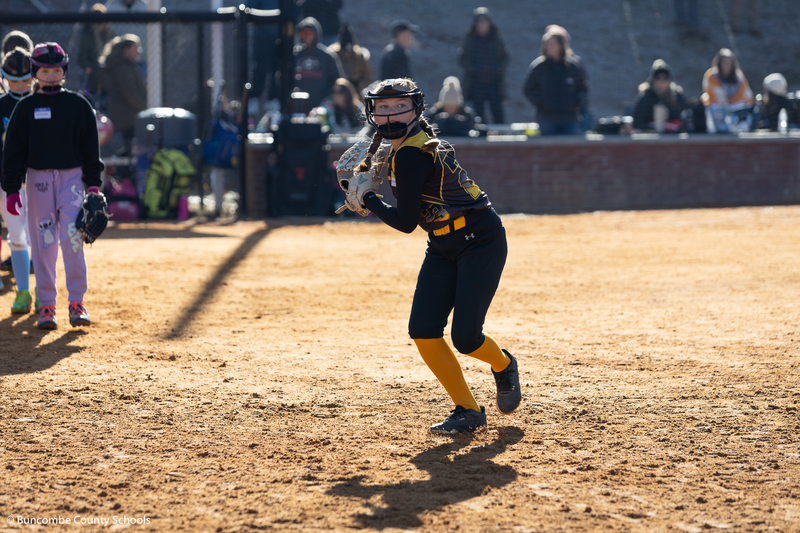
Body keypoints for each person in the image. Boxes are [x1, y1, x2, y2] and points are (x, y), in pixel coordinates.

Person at [352, 78, 522, 434]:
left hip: (480, 240)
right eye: (381, 108)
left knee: (466, 338)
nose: (389, 114)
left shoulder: (413, 153)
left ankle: (504, 364)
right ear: (371, 112)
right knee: (424, 331)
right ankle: (468, 409)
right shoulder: (404, 149)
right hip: (443, 244)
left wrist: (368, 199)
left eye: (398, 105)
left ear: (416, 109)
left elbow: (405, 223)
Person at [1, 42, 104, 329]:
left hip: (71, 178)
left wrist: (93, 186)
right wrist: (11, 188)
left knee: (72, 239)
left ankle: (76, 301)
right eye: (45, 70)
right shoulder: (26, 108)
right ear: (35, 72)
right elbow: (14, 152)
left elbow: (90, 149)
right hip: (38, 179)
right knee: (44, 243)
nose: (51, 74)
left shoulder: (78, 105)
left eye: (56, 69)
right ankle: (46, 305)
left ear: (64, 71)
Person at [0, 48, 38, 312]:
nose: (22, 85)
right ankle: (23, 292)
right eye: (15, 80)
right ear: (4, 78)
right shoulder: (2, 104)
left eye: (26, 79)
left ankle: (43, 291)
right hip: (9, 182)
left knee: (42, 237)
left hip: (39, 179)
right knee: (17, 237)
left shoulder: (42, 102)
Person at [523, 27, 588, 135]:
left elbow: (583, 88)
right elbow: (527, 89)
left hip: (569, 118)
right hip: (546, 118)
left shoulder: (572, 67)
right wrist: (541, 102)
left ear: (561, 46)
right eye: (547, 44)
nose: (549, 47)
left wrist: (574, 102)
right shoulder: (539, 67)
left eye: (553, 44)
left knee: (571, 148)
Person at [458, 7, 509, 124]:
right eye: (479, 21)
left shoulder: (495, 37)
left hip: (494, 82)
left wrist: (498, 70)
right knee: (478, 114)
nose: (482, 24)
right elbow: (463, 58)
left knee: (497, 111)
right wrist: (473, 70)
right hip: (477, 83)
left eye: (484, 21)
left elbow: (505, 57)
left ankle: (501, 136)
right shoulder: (470, 38)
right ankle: (481, 137)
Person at [98, 34, 147, 152]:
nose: (139, 51)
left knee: (129, 148)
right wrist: (145, 108)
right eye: (136, 48)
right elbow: (130, 94)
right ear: (126, 50)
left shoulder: (126, 66)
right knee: (130, 149)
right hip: (128, 117)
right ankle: (121, 169)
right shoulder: (122, 68)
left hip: (128, 115)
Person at [292, 17, 343, 109]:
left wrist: (324, 96)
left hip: (321, 106)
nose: (305, 36)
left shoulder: (327, 56)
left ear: (316, 33)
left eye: (309, 33)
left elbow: (337, 80)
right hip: (296, 104)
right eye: (302, 33)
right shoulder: (294, 55)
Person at [702, 48, 754, 132]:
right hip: (718, 107)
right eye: (724, 63)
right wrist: (726, 105)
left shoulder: (738, 77)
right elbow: (712, 94)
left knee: (742, 110)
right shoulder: (711, 76)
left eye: (729, 63)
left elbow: (746, 95)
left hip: (736, 108)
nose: (727, 66)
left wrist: (733, 104)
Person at [631, 59, 687, 132]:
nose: (662, 81)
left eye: (665, 77)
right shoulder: (646, 97)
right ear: (653, 80)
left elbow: (684, 117)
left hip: (674, 138)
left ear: (669, 79)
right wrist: (654, 128)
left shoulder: (677, 96)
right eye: (658, 78)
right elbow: (637, 121)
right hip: (652, 139)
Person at [78, 3, 114, 102]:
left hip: (109, 74)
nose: (101, 25)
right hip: (93, 75)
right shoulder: (87, 34)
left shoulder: (109, 34)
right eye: (98, 23)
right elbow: (82, 57)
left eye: (103, 22)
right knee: (93, 98)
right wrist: (91, 68)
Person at [328, 24, 373, 97]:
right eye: (345, 51)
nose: (347, 53)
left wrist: (357, 84)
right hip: (336, 95)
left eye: (350, 51)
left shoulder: (360, 57)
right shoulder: (333, 55)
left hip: (356, 96)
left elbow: (368, 79)